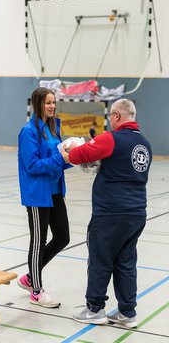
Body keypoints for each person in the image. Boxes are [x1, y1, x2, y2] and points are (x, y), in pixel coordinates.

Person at [61, 99, 152, 327]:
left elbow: (79, 155)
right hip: (136, 213)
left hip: (111, 213)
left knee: (100, 260)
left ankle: (95, 309)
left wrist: (68, 149)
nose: (110, 121)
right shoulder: (145, 144)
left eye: (111, 117)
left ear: (117, 116)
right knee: (126, 262)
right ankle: (127, 312)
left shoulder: (111, 138)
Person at [17, 87, 70, 308]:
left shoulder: (53, 129)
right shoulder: (29, 132)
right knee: (38, 241)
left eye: (54, 102)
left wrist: (74, 156)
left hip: (55, 190)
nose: (52, 106)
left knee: (62, 238)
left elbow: (58, 158)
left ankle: (30, 277)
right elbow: (32, 165)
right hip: (38, 195)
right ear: (38, 104)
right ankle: (36, 291)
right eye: (48, 102)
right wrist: (60, 159)